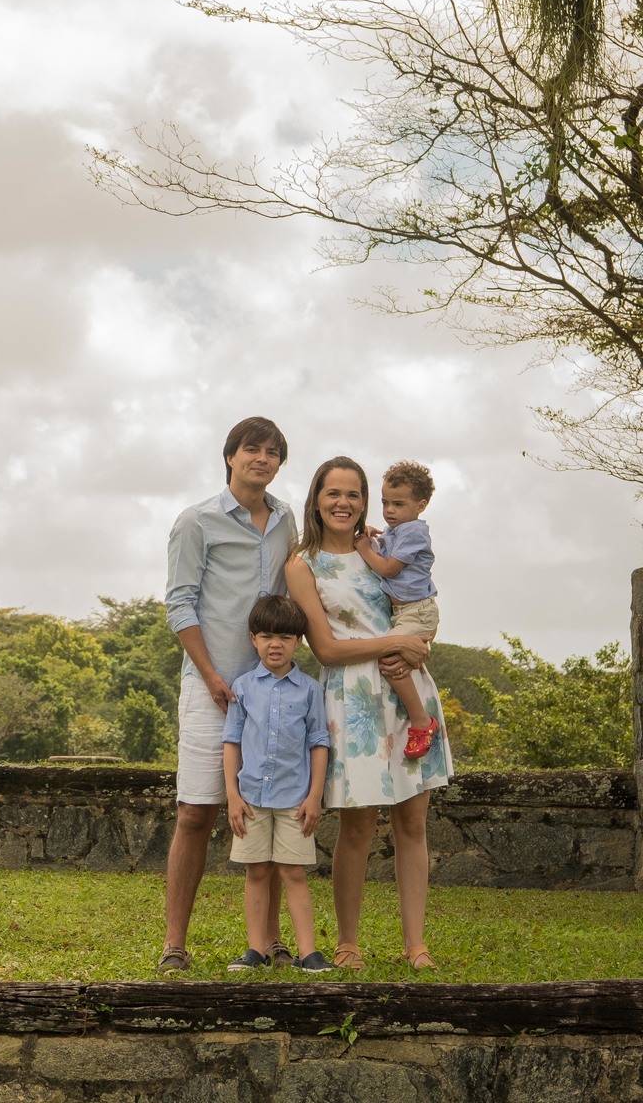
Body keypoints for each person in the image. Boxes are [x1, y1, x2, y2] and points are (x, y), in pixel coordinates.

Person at [285, 457, 452, 973]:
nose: (344, 503)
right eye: (333, 493)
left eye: (354, 494)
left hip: (407, 691)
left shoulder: (383, 546)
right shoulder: (302, 563)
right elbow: (328, 650)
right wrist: (399, 640)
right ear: (316, 499)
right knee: (357, 826)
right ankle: (349, 942)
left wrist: (417, 640)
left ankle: (415, 944)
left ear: (365, 502)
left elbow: (414, 606)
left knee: (412, 822)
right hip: (352, 698)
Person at [160, 415, 297, 973]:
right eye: (251, 449)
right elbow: (180, 604)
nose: (260, 459)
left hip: (274, 690)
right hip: (210, 687)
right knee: (196, 811)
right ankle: (174, 943)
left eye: (271, 452)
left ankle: (269, 940)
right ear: (230, 456)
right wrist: (213, 674)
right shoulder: (198, 522)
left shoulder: (288, 520)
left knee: (274, 810)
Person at [222, 593, 332, 973]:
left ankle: (309, 952)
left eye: (285, 637)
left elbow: (319, 742)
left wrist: (315, 796)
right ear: (253, 638)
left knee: (294, 873)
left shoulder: (310, 690)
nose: (275, 644)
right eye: (267, 635)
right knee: (257, 872)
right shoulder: (244, 687)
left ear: (298, 641)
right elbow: (232, 741)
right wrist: (232, 796)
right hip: (251, 797)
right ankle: (257, 950)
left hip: (294, 799)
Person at [354, 461, 440, 758]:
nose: (389, 510)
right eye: (385, 502)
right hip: (405, 612)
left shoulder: (414, 532)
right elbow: (382, 549)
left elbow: (389, 569)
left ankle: (421, 721)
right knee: (396, 658)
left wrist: (365, 549)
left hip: (417, 611)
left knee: (391, 660)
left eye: (398, 504)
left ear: (421, 505)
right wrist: (371, 537)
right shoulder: (396, 530)